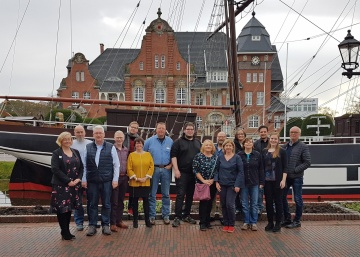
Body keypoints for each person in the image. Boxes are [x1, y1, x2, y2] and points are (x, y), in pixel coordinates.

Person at [82, 125, 120, 236]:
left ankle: (105, 225)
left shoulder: (111, 147)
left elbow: (116, 165)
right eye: (96, 133)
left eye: (100, 133)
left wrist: (115, 180)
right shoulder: (87, 147)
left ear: (104, 134)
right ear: (93, 135)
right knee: (92, 204)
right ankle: (92, 225)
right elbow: (84, 165)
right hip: (92, 180)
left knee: (106, 204)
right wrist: (84, 179)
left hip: (106, 181)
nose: (98, 135)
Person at [50, 132, 83, 240]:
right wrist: (68, 181)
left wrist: (79, 178)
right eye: (65, 139)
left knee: (69, 209)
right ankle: (64, 231)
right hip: (61, 186)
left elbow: (81, 167)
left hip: (73, 186)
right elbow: (55, 169)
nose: (68, 141)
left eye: (69, 139)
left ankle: (67, 231)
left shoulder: (75, 152)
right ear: (61, 141)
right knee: (61, 209)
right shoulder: (56, 153)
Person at [171, 122, 201, 227]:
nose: (189, 131)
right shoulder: (178, 142)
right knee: (180, 195)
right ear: (184, 130)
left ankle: (186, 215)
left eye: (191, 129)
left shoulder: (198, 142)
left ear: (194, 131)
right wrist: (176, 170)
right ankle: (177, 217)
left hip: (193, 174)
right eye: (188, 129)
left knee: (190, 196)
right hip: (182, 173)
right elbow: (173, 156)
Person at [143, 122, 173, 225]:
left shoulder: (170, 141)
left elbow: (174, 155)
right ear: (156, 129)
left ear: (165, 130)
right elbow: (143, 154)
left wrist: (171, 165)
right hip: (153, 170)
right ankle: (152, 216)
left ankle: (166, 216)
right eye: (159, 128)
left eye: (163, 128)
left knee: (166, 194)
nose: (161, 130)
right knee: (152, 194)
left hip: (166, 169)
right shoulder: (149, 141)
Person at [282, 126, 311, 229]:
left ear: (299, 134)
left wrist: (295, 170)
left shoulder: (303, 146)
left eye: (295, 132)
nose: (293, 134)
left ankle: (297, 220)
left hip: (297, 177)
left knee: (298, 199)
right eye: (291, 132)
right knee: (282, 197)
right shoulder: (285, 146)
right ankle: (287, 218)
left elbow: (307, 162)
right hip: (286, 177)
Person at [214, 139, 244, 233]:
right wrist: (216, 182)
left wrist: (237, 184)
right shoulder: (220, 157)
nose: (228, 147)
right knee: (223, 204)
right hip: (222, 184)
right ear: (224, 147)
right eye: (226, 146)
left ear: (232, 147)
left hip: (232, 185)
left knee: (230, 204)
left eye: (230, 146)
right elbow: (216, 170)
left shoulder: (237, 158)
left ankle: (231, 224)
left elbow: (240, 172)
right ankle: (226, 223)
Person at [262, 132, 288, 232]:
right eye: (272, 138)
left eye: (275, 139)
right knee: (268, 203)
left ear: (278, 140)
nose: (273, 140)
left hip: (278, 181)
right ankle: (270, 223)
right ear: (269, 139)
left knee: (278, 202)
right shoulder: (264, 151)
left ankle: (278, 223)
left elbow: (285, 167)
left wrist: (283, 180)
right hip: (267, 181)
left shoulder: (282, 151)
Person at [127, 137, 154, 228]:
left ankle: (147, 221)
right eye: (137, 143)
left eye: (140, 143)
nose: (139, 145)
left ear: (143, 144)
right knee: (135, 203)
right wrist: (136, 178)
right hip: (135, 183)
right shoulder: (131, 155)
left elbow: (151, 166)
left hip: (146, 182)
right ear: (135, 145)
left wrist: (146, 177)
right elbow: (129, 168)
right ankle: (135, 221)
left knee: (146, 202)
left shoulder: (148, 154)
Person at [238, 138, 264, 231]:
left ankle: (253, 222)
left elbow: (261, 169)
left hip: (254, 182)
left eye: (250, 142)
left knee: (254, 203)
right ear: (243, 144)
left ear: (253, 144)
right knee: (244, 203)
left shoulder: (257, 155)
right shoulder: (239, 155)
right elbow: (237, 169)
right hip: (243, 183)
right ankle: (246, 221)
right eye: (246, 142)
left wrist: (261, 182)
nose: (248, 143)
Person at [192, 139, 218, 231]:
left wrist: (212, 180)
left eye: (210, 145)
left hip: (212, 183)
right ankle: (202, 222)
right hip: (202, 183)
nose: (208, 147)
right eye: (206, 145)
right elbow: (195, 170)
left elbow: (217, 170)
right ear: (203, 146)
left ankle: (207, 222)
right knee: (203, 203)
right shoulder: (198, 156)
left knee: (210, 203)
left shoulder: (215, 157)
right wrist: (203, 180)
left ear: (212, 147)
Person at [71, 125, 92, 231]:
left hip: (89, 177)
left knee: (91, 200)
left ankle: (91, 221)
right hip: (76, 178)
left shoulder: (90, 144)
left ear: (85, 132)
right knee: (77, 201)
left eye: (81, 132)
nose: (80, 134)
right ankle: (79, 222)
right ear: (74, 133)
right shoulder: (71, 144)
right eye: (77, 132)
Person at [110, 130, 129, 232]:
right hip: (114, 178)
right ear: (114, 138)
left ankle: (119, 220)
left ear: (123, 138)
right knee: (114, 200)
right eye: (117, 137)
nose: (119, 139)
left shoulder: (126, 150)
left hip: (124, 177)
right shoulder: (111, 149)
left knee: (121, 200)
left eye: (121, 137)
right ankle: (112, 223)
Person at [124, 121, 140, 217]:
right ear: (129, 127)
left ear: (137, 129)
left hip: (135, 166)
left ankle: (132, 208)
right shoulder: (124, 137)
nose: (133, 129)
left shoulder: (139, 140)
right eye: (132, 127)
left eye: (135, 128)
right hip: (124, 165)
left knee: (134, 188)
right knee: (122, 188)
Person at [210, 131, 226, 223]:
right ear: (217, 137)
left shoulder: (228, 148)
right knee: (212, 196)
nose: (221, 138)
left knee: (223, 197)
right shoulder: (213, 148)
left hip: (224, 175)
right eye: (219, 136)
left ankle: (222, 215)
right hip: (213, 175)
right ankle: (211, 214)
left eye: (223, 137)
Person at [254, 125, 269, 215]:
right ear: (259, 133)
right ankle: (259, 208)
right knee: (260, 191)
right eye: (261, 132)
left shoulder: (272, 142)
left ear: (267, 132)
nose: (263, 133)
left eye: (264, 131)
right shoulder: (256, 144)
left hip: (270, 170)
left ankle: (271, 208)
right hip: (260, 170)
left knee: (270, 191)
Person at [233, 128, 246, 214]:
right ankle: (237, 207)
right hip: (236, 170)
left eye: (242, 134)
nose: (240, 135)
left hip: (246, 170)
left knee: (244, 192)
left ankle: (244, 208)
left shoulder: (248, 144)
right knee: (236, 192)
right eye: (239, 134)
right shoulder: (234, 145)